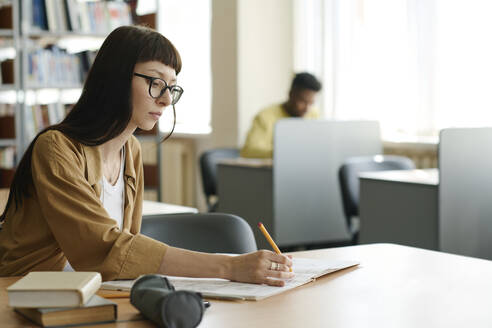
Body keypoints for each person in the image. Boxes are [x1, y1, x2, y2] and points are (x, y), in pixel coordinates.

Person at [0, 26, 293, 286]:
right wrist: (229, 266)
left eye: (171, 87)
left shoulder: (132, 149)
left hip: (97, 294)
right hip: (27, 298)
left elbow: (127, 250)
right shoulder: (56, 148)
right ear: (116, 78)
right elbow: (104, 250)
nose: (166, 99)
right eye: (155, 82)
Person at [240, 72, 322, 158]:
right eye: (303, 102)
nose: (307, 108)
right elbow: (248, 151)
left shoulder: (313, 116)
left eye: (311, 103)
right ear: (291, 94)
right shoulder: (265, 116)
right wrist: (284, 154)